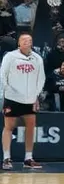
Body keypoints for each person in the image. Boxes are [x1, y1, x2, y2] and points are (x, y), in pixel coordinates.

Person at [0, 34, 45, 170]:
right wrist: (6, 91)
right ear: (18, 43)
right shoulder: (10, 56)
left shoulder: (37, 58)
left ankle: (28, 158)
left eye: (30, 40)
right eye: (24, 40)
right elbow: (2, 75)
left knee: (31, 126)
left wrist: (36, 95)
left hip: (29, 98)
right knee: (9, 126)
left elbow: (41, 78)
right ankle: (6, 158)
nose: (27, 42)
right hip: (12, 97)